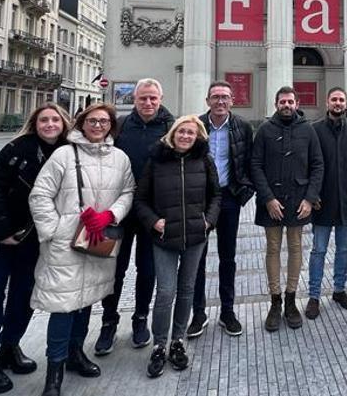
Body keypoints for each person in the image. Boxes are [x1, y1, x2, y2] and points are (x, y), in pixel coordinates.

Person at [30, 103, 134, 396]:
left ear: (111, 125)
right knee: (63, 306)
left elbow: (128, 191)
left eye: (103, 121)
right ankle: (54, 372)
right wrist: (56, 230)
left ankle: (76, 353)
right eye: (92, 120)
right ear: (81, 123)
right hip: (66, 242)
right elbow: (40, 195)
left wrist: (110, 216)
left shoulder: (120, 157)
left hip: (97, 240)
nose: (98, 125)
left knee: (87, 299)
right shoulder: (64, 154)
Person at [0, 103, 72, 394]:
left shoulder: (67, 152)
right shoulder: (16, 148)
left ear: (64, 123)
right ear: (35, 122)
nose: (50, 124)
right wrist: (3, 231)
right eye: (44, 119)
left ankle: (9, 345)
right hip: (2, 237)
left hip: (37, 238)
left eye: (55, 119)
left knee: (24, 295)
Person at [133, 115, 221, 377]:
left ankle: (178, 341)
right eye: (181, 131)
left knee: (186, 290)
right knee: (165, 292)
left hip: (195, 236)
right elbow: (141, 198)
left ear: (198, 137)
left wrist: (208, 221)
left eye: (190, 133)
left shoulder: (203, 159)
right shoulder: (157, 159)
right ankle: (160, 343)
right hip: (164, 237)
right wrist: (153, 222)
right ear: (173, 133)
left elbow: (216, 194)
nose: (185, 136)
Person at [95, 79, 173, 355]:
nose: (148, 103)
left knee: (147, 269)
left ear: (161, 98)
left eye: (153, 98)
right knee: (114, 268)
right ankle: (108, 321)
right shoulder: (121, 126)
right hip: (120, 210)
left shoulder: (170, 127)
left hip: (153, 213)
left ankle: (140, 319)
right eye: (143, 98)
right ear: (135, 99)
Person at [251, 86, 324, 332]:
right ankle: (275, 301)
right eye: (283, 101)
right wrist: (268, 199)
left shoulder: (307, 130)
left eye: (290, 101)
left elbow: (317, 165)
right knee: (272, 248)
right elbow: (255, 166)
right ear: (276, 104)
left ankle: (291, 299)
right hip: (272, 202)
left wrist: (310, 198)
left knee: (295, 248)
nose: (287, 105)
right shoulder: (264, 130)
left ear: (296, 103)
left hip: (298, 200)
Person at [189, 80, 254, 338]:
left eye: (225, 97)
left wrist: (243, 193)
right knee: (197, 258)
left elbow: (248, 161)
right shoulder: (195, 126)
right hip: (199, 200)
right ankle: (198, 312)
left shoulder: (242, 127)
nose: (220, 102)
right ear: (207, 101)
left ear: (232, 101)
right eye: (215, 97)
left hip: (228, 198)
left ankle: (227, 312)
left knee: (228, 257)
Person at [306, 87, 347, 318]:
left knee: (344, 249)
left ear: (346, 103)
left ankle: (339, 290)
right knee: (318, 250)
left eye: (341, 100)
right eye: (334, 100)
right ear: (327, 102)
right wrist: (312, 195)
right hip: (322, 200)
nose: (337, 103)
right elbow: (307, 165)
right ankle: (314, 296)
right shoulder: (314, 130)